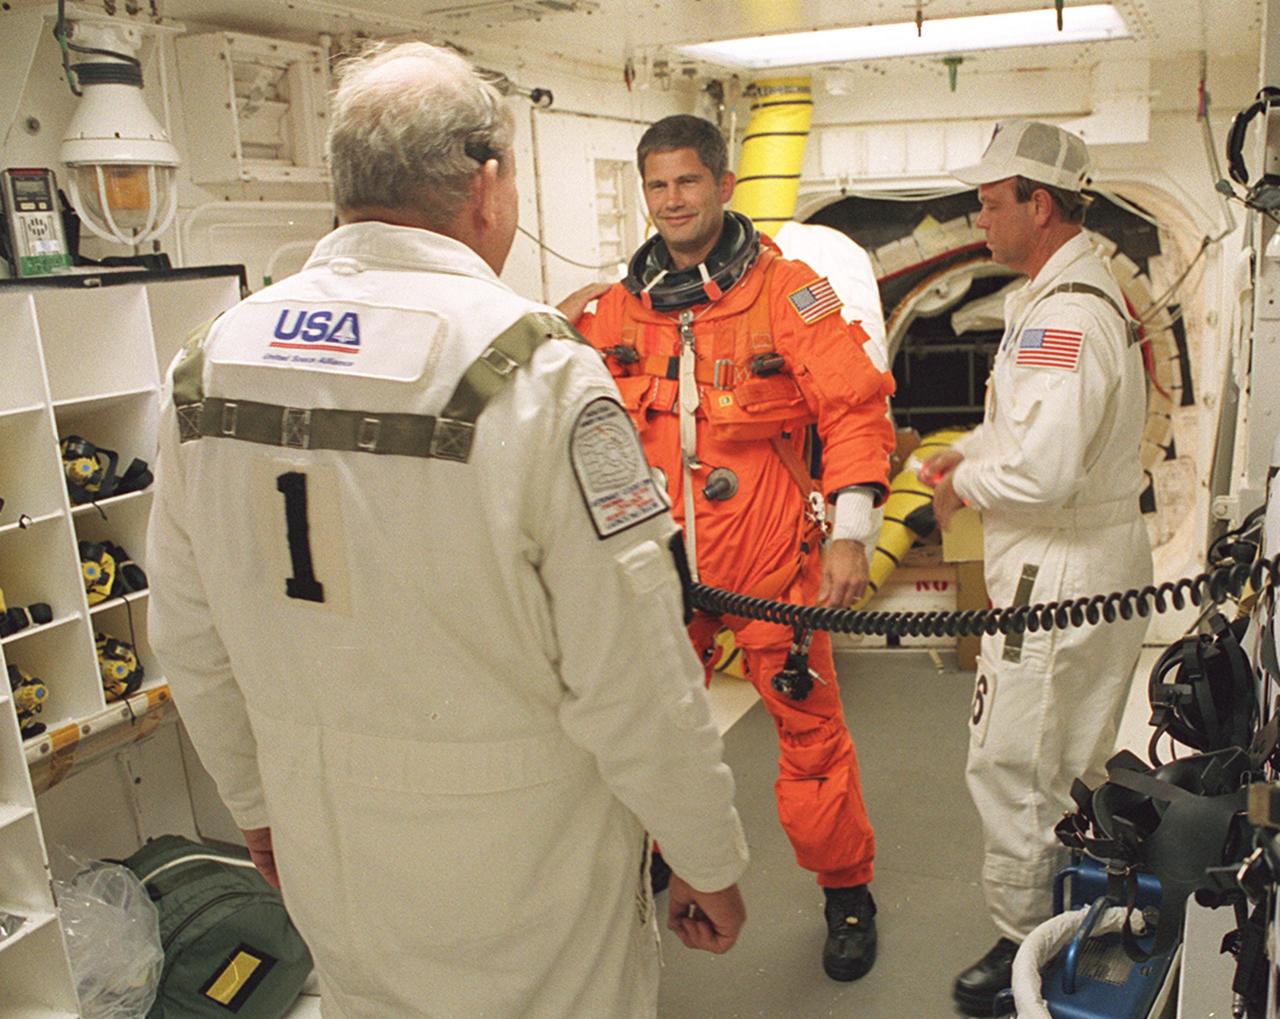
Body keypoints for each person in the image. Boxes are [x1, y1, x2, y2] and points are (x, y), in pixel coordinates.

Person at [146, 43, 748, 1019]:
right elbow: (633, 672)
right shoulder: (535, 371)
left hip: (326, 845)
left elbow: (187, 633)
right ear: (486, 182)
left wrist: (256, 805)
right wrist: (705, 853)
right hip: (527, 874)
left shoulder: (206, 367)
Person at [559, 115, 895, 982]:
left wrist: (851, 534)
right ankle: (665, 853)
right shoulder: (614, 309)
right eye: (657, 185)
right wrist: (550, 327)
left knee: (811, 737)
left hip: (770, 562)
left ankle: (847, 893)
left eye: (688, 182)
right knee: (654, 729)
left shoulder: (789, 294)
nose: (672, 200)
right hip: (660, 569)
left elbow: (854, 409)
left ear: (723, 186)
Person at [921, 119, 1154, 1016]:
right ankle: (1069, 915)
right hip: (1082, 560)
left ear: (1041, 205)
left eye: (990, 204)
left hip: (1058, 572)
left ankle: (1024, 945)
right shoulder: (1059, 298)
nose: (979, 220)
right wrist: (970, 451)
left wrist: (965, 483)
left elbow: (1045, 471)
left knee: (1016, 762)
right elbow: (1026, 431)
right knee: (1067, 756)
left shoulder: (1066, 319)